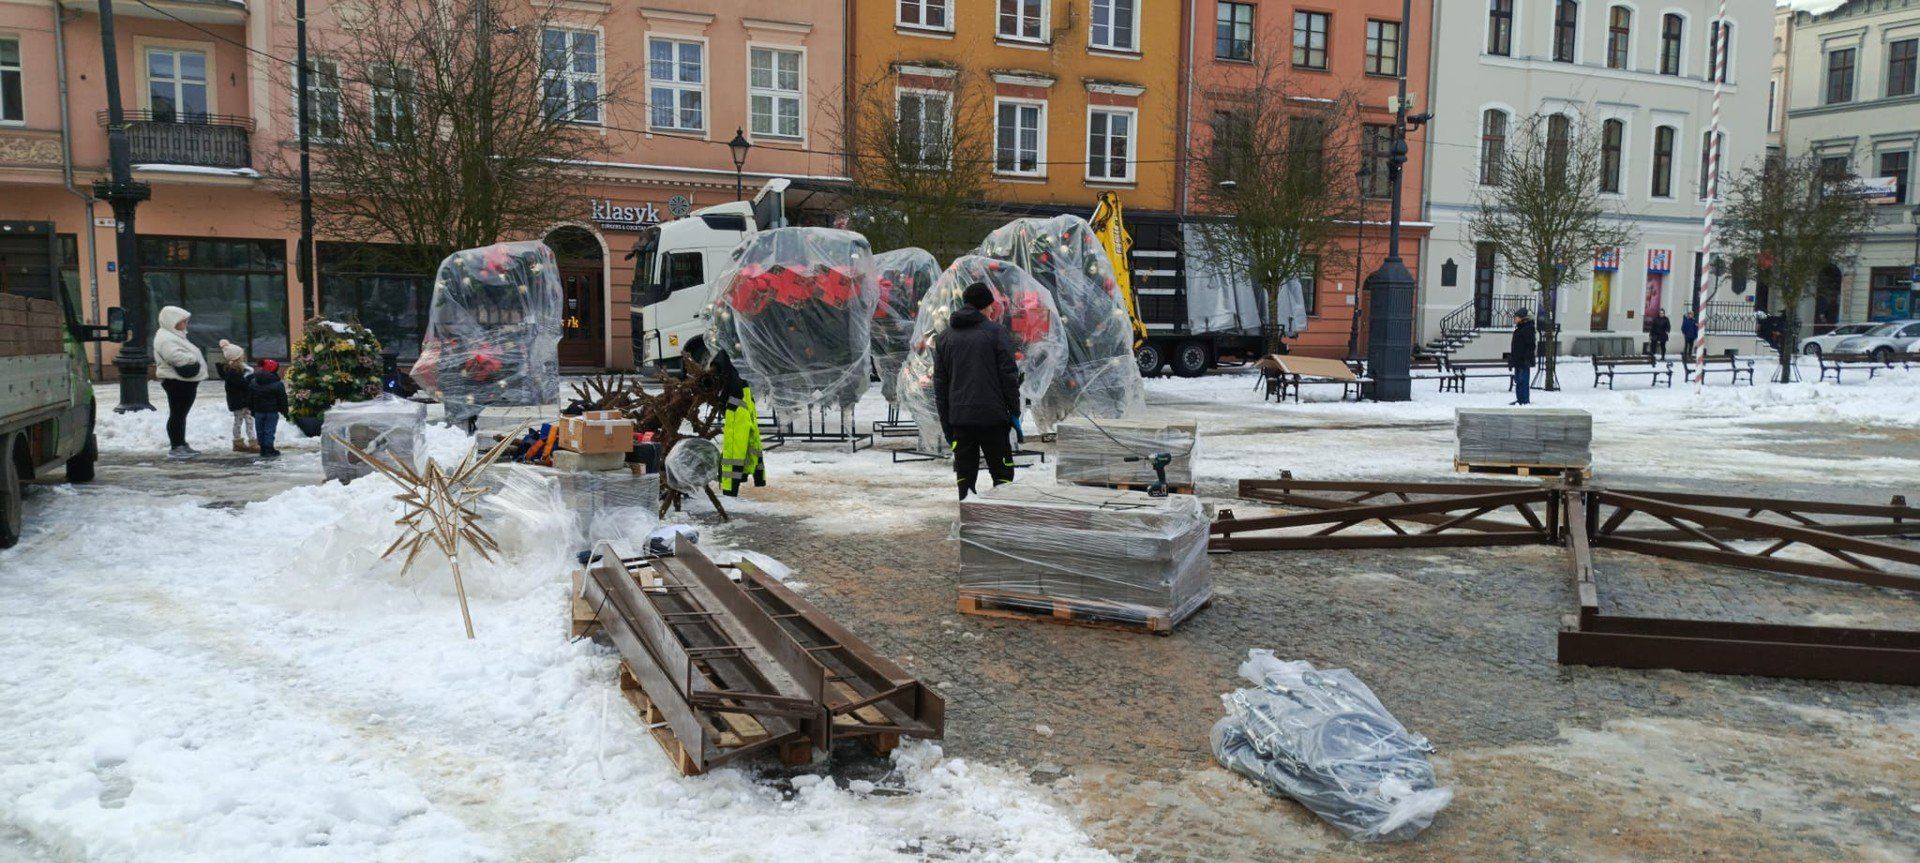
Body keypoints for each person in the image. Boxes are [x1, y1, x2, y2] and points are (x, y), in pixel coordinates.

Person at [933, 282, 1022, 500]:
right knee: (1002, 476)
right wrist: (1014, 412)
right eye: (991, 306)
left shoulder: (944, 337)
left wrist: (947, 422)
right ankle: (1000, 522)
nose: (993, 310)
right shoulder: (996, 333)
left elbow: (940, 384)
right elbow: (1008, 377)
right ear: (984, 306)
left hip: (960, 419)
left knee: (965, 476)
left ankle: (968, 521)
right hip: (993, 419)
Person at [152, 305, 208, 459]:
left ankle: (181, 443)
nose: (186, 324)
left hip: (184, 381)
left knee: (180, 414)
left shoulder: (173, 335)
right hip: (177, 382)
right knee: (177, 414)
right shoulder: (166, 338)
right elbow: (174, 356)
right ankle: (177, 446)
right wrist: (192, 358)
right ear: (173, 321)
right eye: (183, 321)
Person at [216, 340, 257, 453]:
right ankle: (252, 442)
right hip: (241, 401)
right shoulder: (234, 372)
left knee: (239, 421)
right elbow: (243, 385)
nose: (243, 357)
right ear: (237, 358)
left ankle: (238, 442)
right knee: (248, 421)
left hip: (238, 401)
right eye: (241, 356)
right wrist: (250, 378)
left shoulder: (233, 370)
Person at [246, 358, 289, 460]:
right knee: (269, 430)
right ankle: (269, 449)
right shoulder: (278, 384)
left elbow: (250, 398)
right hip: (272, 412)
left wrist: (252, 410)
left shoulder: (254, 381)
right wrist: (285, 411)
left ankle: (263, 448)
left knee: (260, 430)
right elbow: (282, 399)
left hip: (258, 411)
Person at [1508, 308, 1536, 406]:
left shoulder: (1527, 329)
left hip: (1523, 360)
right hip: (1518, 359)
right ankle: (1520, 399)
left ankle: (1524, 400)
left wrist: (1527, 358)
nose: (1514, 319)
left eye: (1516, 317)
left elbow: (1530, 345)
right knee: (1518, 380)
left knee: (1523, 380)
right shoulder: (1520, 329)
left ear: (1522, 318)